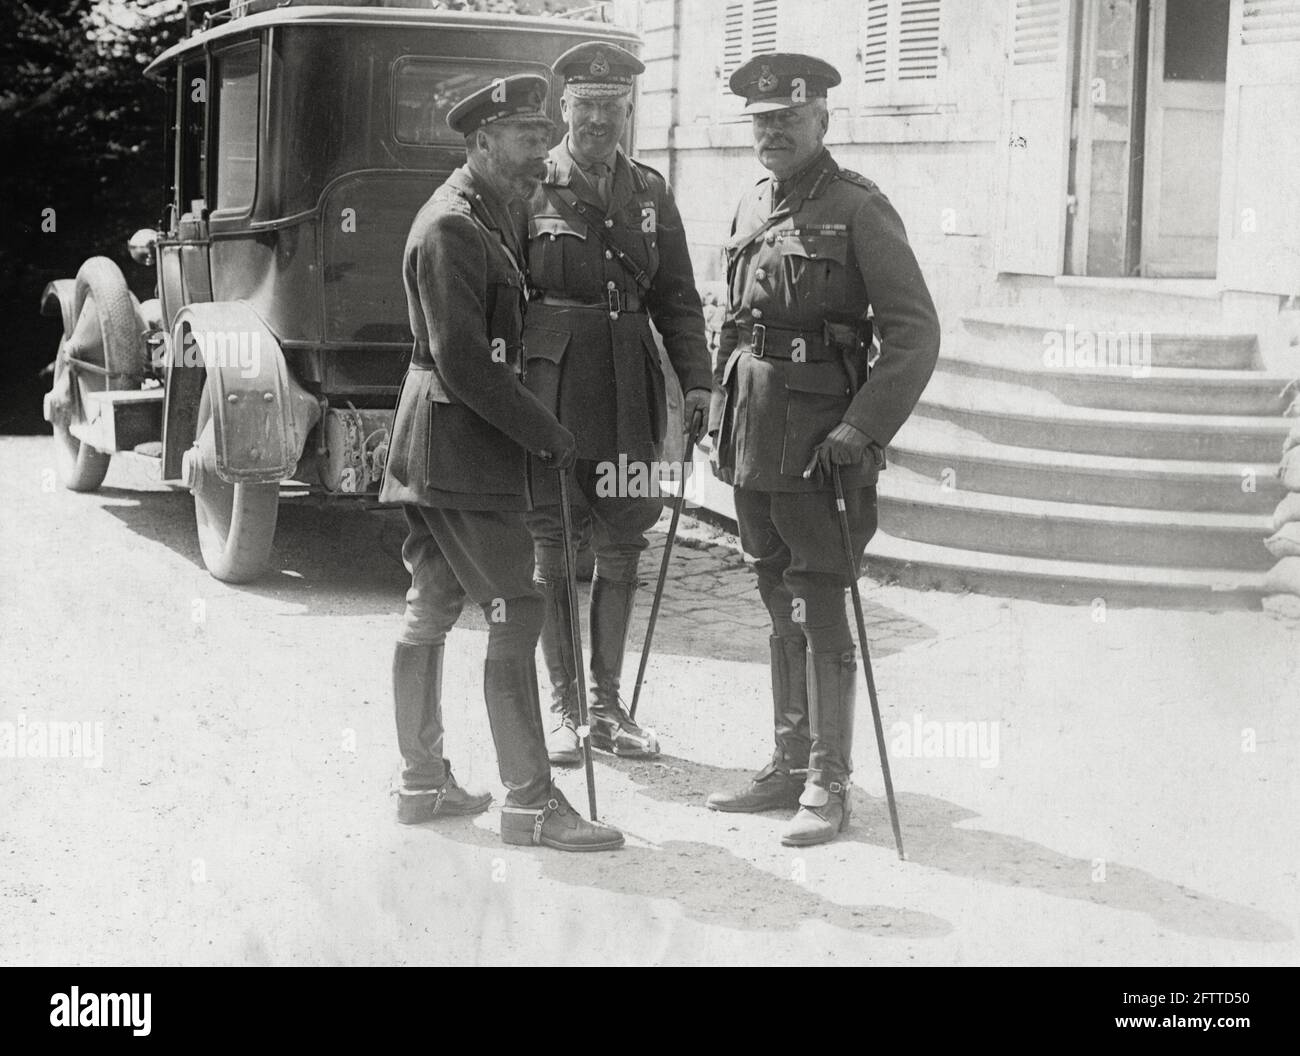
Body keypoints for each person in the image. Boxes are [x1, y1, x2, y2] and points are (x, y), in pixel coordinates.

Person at [380, 74, 623, 852]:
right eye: (525, 143)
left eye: (540, 144)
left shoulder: (484, 212)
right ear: (481, 142)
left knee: (432, 601)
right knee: (517, 608)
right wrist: (546, 433)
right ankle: (531, 800)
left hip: (443, 444)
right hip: (462, 446)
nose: (539, 161)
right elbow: (462, 359)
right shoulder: (453, 226)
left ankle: (423, 781)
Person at [704, 54, 940, 846]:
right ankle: (786, 761)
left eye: (788, 120)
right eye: (763, 121)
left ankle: (828, 781)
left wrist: (863, 428)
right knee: (776, 591)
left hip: (819, 445)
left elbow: (913, 333)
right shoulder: (750, 200)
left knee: (821, 595)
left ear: (823, 122)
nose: (773, 133)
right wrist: (716, 413)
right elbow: (732, 322)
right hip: (750, 432)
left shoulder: (859, 209)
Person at [521, 42, 712, 765]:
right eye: (585, 105)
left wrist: (696, 381)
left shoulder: (651, 194)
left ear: (630, 109)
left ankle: (608, 705)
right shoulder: (532, 185)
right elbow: (503, 293)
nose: (599, 120)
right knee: (553, 544)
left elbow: (678, 298)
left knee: (623, 544)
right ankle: (564, 706)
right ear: (563, 108)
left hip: (633, 395)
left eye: (612, 106)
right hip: (554, 392)